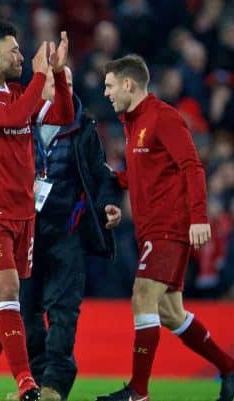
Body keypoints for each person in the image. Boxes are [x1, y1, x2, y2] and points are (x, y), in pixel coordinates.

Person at [97, 54, 234, 401]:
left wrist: (199, 218)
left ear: (129, 84)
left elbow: (192, 167)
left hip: (169, 227)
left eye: (110, 86)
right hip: (150, 228)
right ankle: (230, 369)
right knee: (171, 313)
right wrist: (116, 185)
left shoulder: (164, 118)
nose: (107, 93)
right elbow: (144, 174)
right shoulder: (133, 123)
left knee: (142, 295)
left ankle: (138, 392)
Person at [0, 19, 74, 401]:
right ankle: (26, 382)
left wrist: (57, 75)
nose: (22, 57)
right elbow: (11, 117)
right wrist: (41, 76)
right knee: (8, 289)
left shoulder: (19, 92)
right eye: (15, 50)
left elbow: (61, 117)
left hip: (24, 212)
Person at [16, 67, 122, 401]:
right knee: (24, 311)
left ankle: (55, 386)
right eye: (56, 81)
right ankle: (35, 381)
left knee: (63, 312)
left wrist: (107, 204)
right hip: (26, 232)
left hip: (67, 231)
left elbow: (101, 175)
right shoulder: (19, 121)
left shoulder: (83, 126)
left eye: (70, 82)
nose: (65, 88)